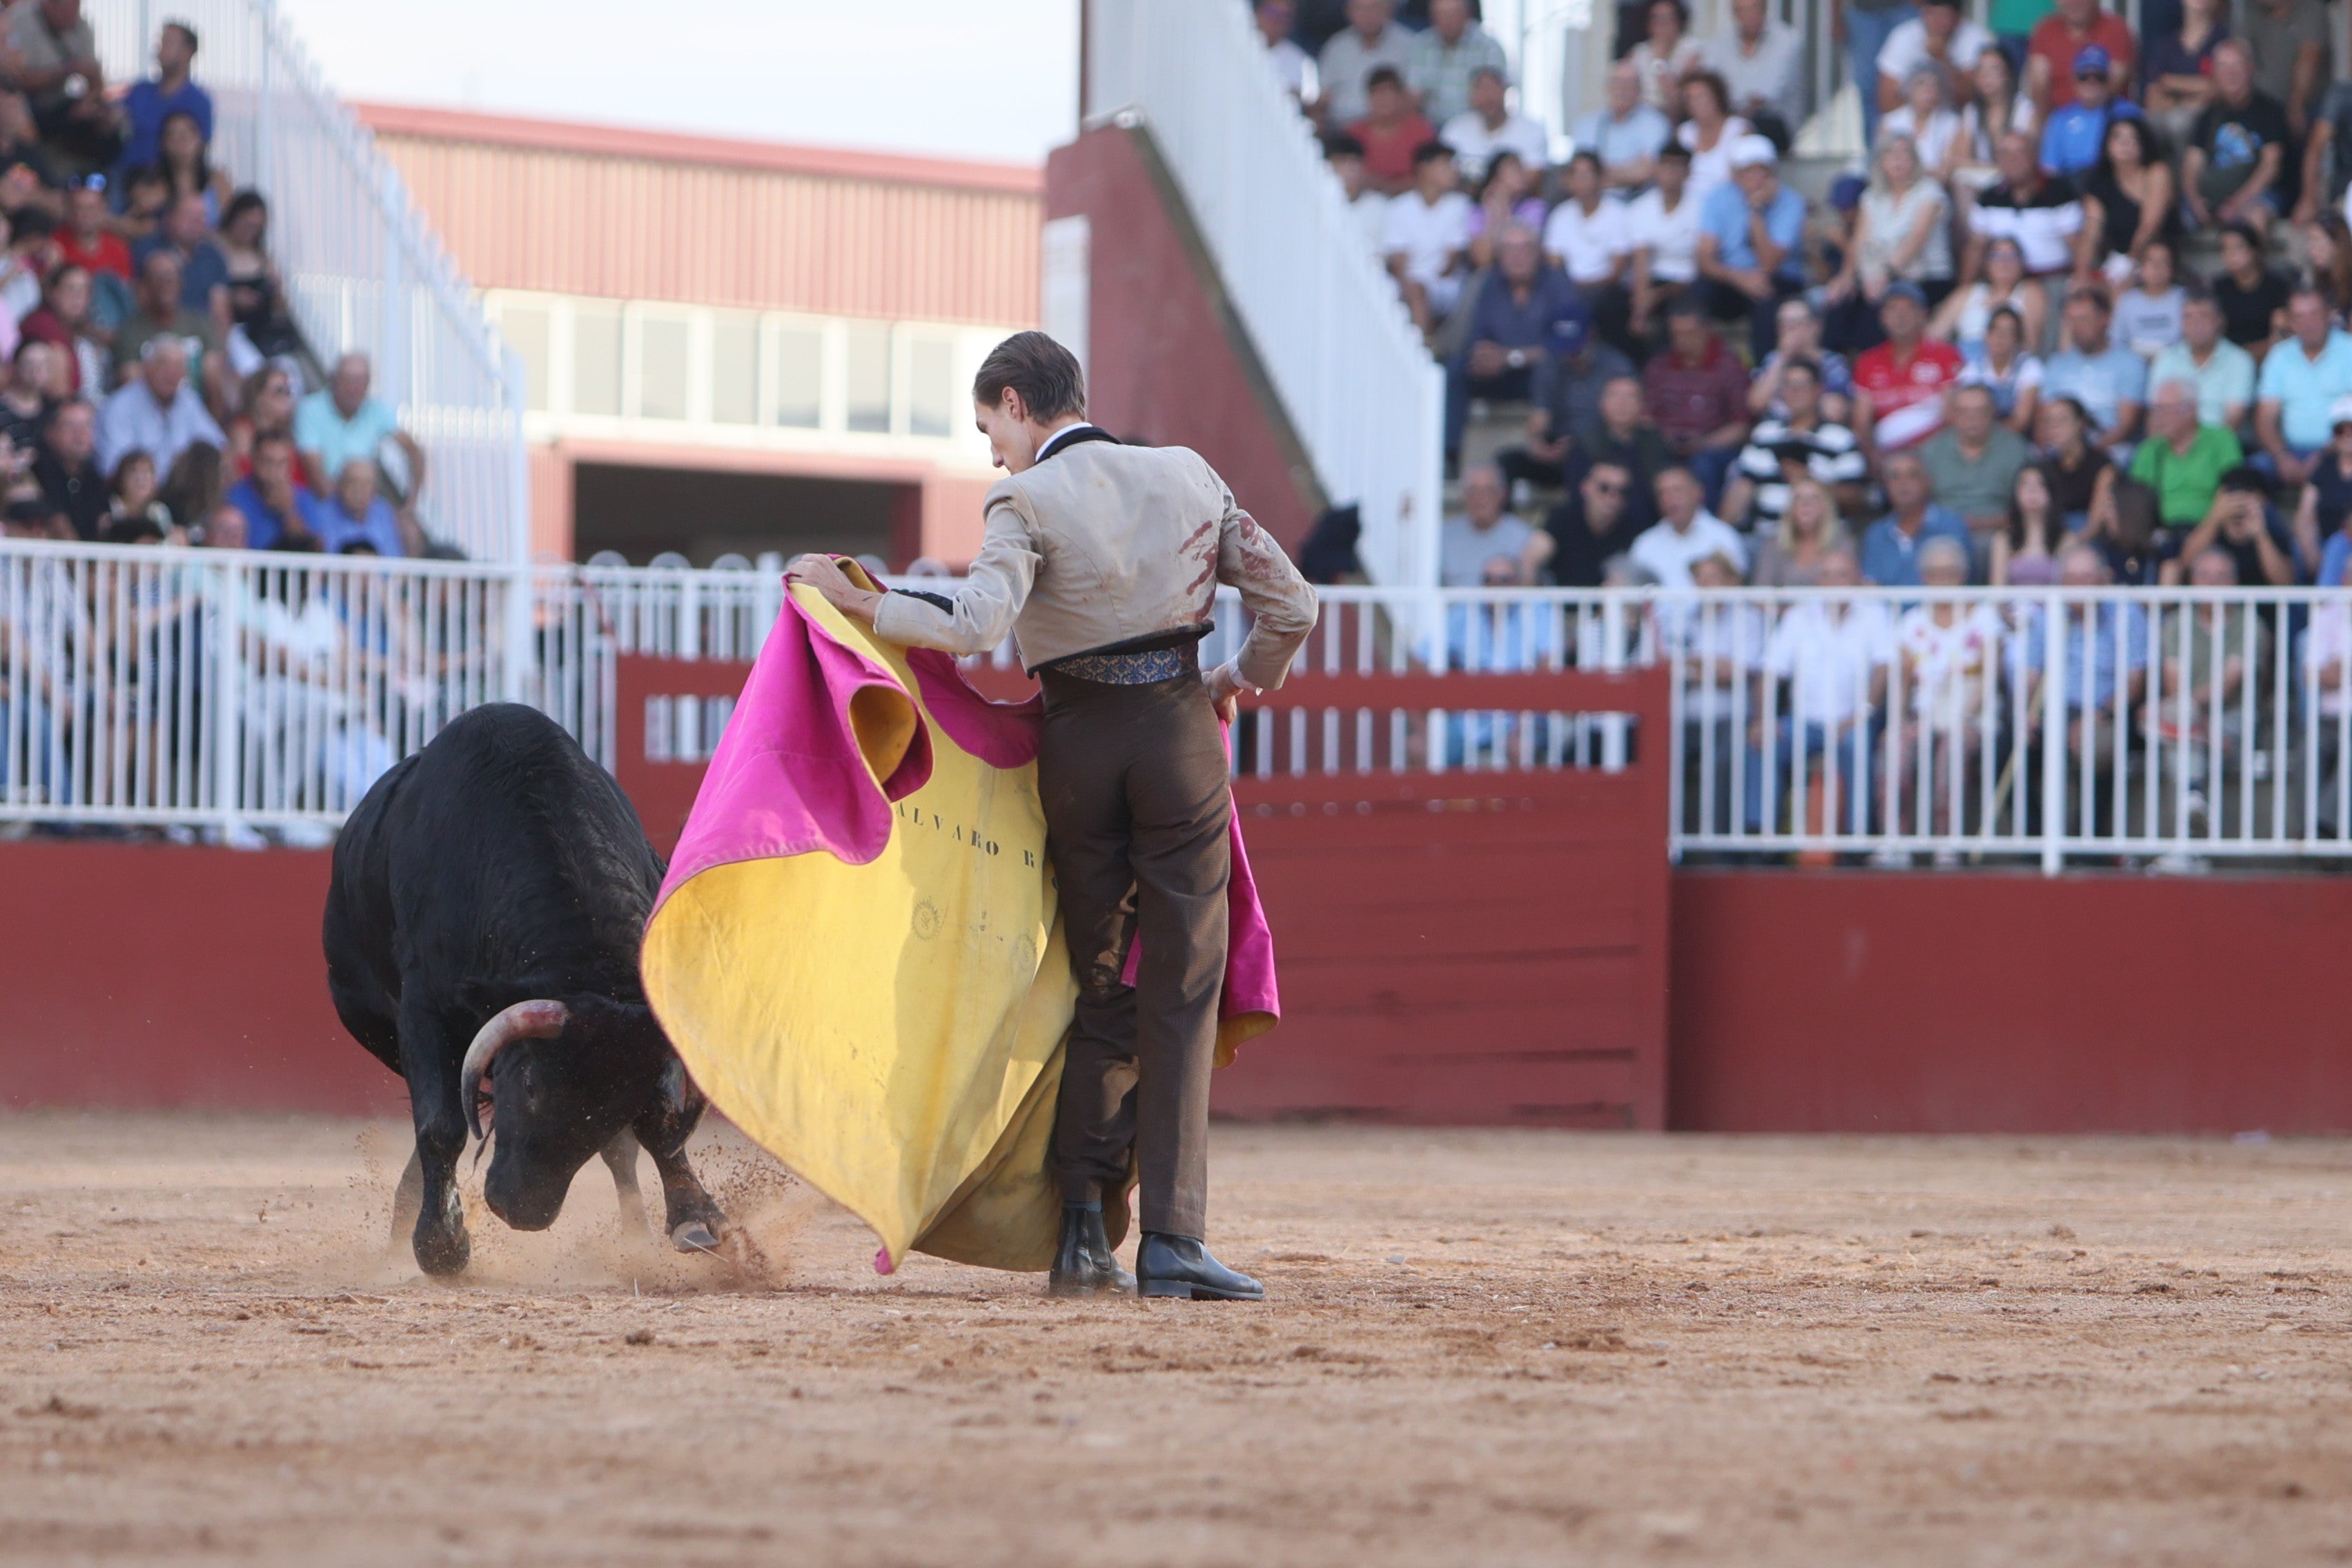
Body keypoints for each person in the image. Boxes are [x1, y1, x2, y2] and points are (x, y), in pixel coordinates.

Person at [790, 332, 1315, 1302]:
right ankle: (1173, 1240)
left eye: (987, 426)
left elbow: (977, 625)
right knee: (1180, 989)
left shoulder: (1025, 499)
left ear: (1016, 402)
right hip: (1177, 737)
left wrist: (862, 606)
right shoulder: (1189, 477)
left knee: (1100, 980)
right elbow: (1294, 605)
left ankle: (1079, 1233)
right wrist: (1234, 678)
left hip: (1078, 750)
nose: (992, 451)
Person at [1744, 541, 1892, 836]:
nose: (1834, 582)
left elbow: (1884, 667)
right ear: (1818, 580)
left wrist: (1860, 714)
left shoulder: (1874, 613)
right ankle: (1761, 836)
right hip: (1804, 723)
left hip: (1855, 720)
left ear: (1858, 579)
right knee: (1765, 741)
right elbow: (1771, 671)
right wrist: (1762, 719)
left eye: (1842, 575)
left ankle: (1856, 838)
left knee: (1856, 744)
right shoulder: (1799, 615)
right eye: (1827, 575)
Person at [1894, 534, 2004, 845]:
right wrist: (1899, 721)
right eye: (1934, 574)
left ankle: (1947, 842)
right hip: (1925, 714)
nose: (1942, 581)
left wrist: (1965, 715)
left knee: (1951, 751)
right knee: (1893, 748)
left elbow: (1990, 675)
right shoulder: (1911, 621)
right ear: (1923, 577)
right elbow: (1902, 681)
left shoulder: (1984, 617)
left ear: (1963, 576)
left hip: (1973, 715)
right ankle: (1895, 840)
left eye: (1950, 573)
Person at [1447, 224, 1578, 460]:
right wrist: (1482, 355)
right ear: (1500, 255)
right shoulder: (1490, 283)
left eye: (1524, 249)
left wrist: (1511, 357)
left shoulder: (1558, 283)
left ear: (1537, 252)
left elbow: (1568, 342)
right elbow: (1477, 333)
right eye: (1509, 250)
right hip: (1499, 374)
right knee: (1456, 368)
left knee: (1551, 369)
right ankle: (1450, 454)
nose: (1517, 257)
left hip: (1541, 378)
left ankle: (1546, 449)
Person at [1825, 133, 1953, 354]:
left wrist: (1885, 275)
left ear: (1915, 160)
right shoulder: (1873, 197)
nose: (1898, 161)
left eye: (1904, 154)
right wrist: (1846, 277)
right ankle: (1834, 364)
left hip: (1923, 276)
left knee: (1878, 312)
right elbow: (1859, 242)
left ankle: (1871, 366)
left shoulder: (1929, 191)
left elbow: (1916, 239)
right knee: (1839, 303)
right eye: (1891, 155)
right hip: (1878, 275)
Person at [1493, 305, 1638, 493]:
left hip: (1602, 447)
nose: (1570, 355)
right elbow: (1540, 415)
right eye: (1565, 347)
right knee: (1508, 462)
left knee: (1585, 455)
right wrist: (1537, 443)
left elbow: (1623, 421)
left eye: (1576, 348)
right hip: (1559, 446)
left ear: (1591, 335)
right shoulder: (1550, 365)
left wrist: (1578, 443)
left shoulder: (1617, 368)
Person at [1720, 358, 1869, 533]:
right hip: (1769, 536)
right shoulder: (1765, 434)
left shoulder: (1840, 438)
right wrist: (1721, 534)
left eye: (1802, 386)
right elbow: (1742, 488)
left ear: (1818, 389)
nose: (1794, 392)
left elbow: (1855, 499)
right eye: (1788, 385)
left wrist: (1809, 480)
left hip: (1823, 539)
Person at [1694, 134, 1805, 360]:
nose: (1756, 179)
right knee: (1697, 293)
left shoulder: (1791, 202)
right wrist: (1738, 278)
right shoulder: (1718, 198)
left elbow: (1770, 264)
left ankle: (1763, 367)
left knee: (1766, 297)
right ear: (1735, 174)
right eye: (1748, 172)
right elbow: (1704, 257)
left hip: (1777, 279)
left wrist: (1756, 212)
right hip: (1732, 277)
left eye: (1762, 172)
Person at [1643, 297, 1751, 502]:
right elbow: (1647, 417)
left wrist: (1704, 444)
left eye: (1689, 333)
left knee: (1703, 466)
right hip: (1666, 446)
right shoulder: (1659, 366)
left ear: (1706, 330)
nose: (1682, 340)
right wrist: (1665, 439)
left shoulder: (1729, 366)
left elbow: (1741, 425)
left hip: (1711, 448)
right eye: (1676, 334)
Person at [2183, 41, 2289, 235]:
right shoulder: (2207, 116)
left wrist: (2238, 202)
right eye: (2223, 67)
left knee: (2255, 219)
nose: (2231, 73)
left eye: (2237, 65)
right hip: (2214, 193)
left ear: (2251, 69)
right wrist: (2196, 201)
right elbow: (2191, 166)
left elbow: (2271, 166)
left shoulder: (2270, 111)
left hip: (2256, 193)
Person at [2254, 286, 2352, 484]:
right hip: (2289, 451)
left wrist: (2325, 455)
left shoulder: (2349, 350)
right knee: (2249, 475)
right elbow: (2265, 418)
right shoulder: (2280, 356)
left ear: (2328, 315)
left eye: (2314, 314)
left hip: (2342, 451)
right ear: (2291, 322)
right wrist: (2282, 457)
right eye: (2300, 317)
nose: (2308, 324)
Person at [10, 0, 124, 171]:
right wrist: (66, 71)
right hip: (25, 106)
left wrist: (87, 104)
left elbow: (95, 78)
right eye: (67, 9)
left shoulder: (81, 28)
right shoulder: (20, 22)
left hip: (63, 106)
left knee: (110, 132)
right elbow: (17, 79)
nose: (73, 16)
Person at [295, 352, 424, 501]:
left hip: (365, 503)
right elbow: (317, 478)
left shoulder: (376, 409)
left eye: (360, 381)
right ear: (334, 380)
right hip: (321, 501)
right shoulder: (309, 410)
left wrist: (412, 502)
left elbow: (413, 450)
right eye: (348, 380)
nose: (354, 388)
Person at [1854, 282, 1965, 454]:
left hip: (1935, 453)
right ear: (1883, 317)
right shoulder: (1868, 361)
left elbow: (1951, 415)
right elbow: (1861, 422)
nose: (1901, 316)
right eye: (1893, 309)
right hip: (1886, 455)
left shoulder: (1945, 355)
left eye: (1909, 308)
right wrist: (1873, 458)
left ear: (1923, 314)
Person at [1964, 132, 2084, 287]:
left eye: (2020, 152)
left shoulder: (2059, 192)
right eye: (2004, 154)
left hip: (2051, 280)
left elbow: (2076, 243)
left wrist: (2081, 282)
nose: (2012, 160)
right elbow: (1976, 248)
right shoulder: (1989, 197)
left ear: (2035, 155)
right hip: (2000, 284)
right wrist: (1965, 289)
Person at [2129, 379, 2243, 537]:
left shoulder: (2221, 440)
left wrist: (2208, 528)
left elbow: (2234, 488)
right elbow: (2135, 500)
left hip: (2215, 532)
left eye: (2165, 410)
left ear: (2190, 410)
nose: (2159, 417)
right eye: (2156, 410)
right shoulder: (2150, 450)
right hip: (2161, 534)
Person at [112, 247, 222, 408]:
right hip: (148, 411)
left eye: (171, 277)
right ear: (145, 285)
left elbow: (215, 375)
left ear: (181, 282)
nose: (166, 284)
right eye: (158, 278)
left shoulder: (199, 323)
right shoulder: (130, 331)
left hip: (195, 410)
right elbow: (130, 381)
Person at [1382, 141, 1471, 336]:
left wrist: (1422, 287)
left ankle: (1421, 344)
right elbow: (1398, 261)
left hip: (1445, 284)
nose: (1453, 171)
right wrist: (1409, 286)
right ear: (1424, 168)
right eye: (1445, 165)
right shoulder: (1399, 207)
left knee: (1417, 291)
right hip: (1406, 283)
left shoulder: (1460, 205)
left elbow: (1452, 260)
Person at [95, 336, 219, 476]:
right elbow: (113, 468)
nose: (172, 373)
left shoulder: (188, 400)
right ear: (146, 368)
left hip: (182, 485)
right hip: (141, 487)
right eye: (164, 364)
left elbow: (217, 445)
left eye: (178, 366)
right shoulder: (120, 407)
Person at [1920, 382, 2032, 535]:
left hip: (2001, 533)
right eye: (1964, 411)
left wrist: (1984, 523)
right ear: (1953, 414)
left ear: (1993, 412)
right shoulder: (1931, 451)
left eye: (1980, 411)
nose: (1972, 418)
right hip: (1943, 534)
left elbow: (2028, 507)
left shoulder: (2016, 450)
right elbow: (1918, 506)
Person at [2041, 286, 2146, 445]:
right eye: (2072, 321)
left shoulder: (2130, 363)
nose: (2076, 328)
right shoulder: (2057, 365)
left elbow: (2126, 425)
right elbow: (2043, 420)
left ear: (2105, 319)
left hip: (2111, 451)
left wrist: (2088, 455)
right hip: (2061, 451)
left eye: (2083, 319)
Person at [1700, 0, 1805, 146]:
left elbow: (1767, 93)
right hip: (1730, 119)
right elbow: (1710, 82)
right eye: (1741, 10)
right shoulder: (1721, 40)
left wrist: (1732, 108)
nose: (1749, 15)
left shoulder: (1787, 40)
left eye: (1754, 8)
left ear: (1765, 9)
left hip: (1772, 125)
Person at [1626, 142, 1703, 342]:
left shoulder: (1702, 207)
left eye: (1678, 167)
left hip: (1690, 282)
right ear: (1657, 169)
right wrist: (1640, 308)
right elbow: (1641, 261)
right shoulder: (1640, 208)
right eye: (1666, 166)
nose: (1671, 174)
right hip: (1655, 280)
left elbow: (1702, 263)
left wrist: (1658, 295)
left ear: (1688, 172)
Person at [2149, 288, 2256, 431]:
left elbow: (2234, 420)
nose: (2196, 323)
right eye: (2188, 317)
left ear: (2219, 321)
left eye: (2204, 316)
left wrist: (2196, 445)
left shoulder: (2240, 361)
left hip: (2220, 441)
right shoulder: (2166, 358)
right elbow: (2155, 415)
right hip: (2172, 441)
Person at [2170, 464, 2296, 585]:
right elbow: (2185, 564)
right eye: (2231, 493)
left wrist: (2260, 535)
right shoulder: (2208, 532)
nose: (2238, 500)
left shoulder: (2274, 533)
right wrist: (2214, 518)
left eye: (2247, 493)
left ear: (2262, 500)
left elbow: (2285, 583)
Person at [1863, 449, 1975, 584]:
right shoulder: (1876, 534)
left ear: (1927, 481)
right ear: (1886, 486)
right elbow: (1871, 586)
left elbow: (1968, 583)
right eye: (1895, 477)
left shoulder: (1952, 526)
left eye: (1912, 475)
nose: (1903, 483)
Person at [1541, 150, 1633, 308]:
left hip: (1607, 291)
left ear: (1600, 178)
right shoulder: (1560, 215)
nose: (1581, 180)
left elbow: (1617, 270)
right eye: (1575, 175)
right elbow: (1554, 263)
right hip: (1568, 290)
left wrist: (1585, 286)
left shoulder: (1618, 213)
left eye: (1586, 174)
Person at [1629, 463, 1747, 585]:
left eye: (1677, 490)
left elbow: (1736, 589)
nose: (1670, 499)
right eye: (1662, 493)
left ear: (1698, 492)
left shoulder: (1724, 537)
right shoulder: (1645, 544)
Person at [1932, 234, 2048, 356]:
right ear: (1986, 262)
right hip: (1965, 360)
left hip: (2010, 360)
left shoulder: (2029, 292)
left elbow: (2030, 344)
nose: (2004, 263)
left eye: (2012, 256)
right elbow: (1934, 335)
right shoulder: (1968, 293)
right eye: (1996, 256)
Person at [1536, 458, 1647, 586]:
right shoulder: (1562, 519)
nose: (1613, 498)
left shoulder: (1633, 532)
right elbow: (1531, 560)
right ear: (1585, 487)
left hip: (1609, 599)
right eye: (1604, 488)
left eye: (1623, 492)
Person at [120, 20, 210, 175]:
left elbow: (199, 154)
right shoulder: (140, 91)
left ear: (188, 52)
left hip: (171, 182)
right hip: (128, 178)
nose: (160, 49)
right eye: (161, 43)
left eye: (168, 43)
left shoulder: (199, 103)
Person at [2038, 44, 2141, 178]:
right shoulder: (2060, 119)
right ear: (2074, 80)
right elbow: (2050, 169)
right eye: (2084, 76)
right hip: (2071, 184)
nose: (2091, 82)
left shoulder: (2128, 114)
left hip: (2114, 181)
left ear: (2109, 79)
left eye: (2099, 76)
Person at [1877, 0, 1992, 118]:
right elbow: (1887, 103)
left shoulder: (1977, 39)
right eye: (1931, 14)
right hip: (1911, 119)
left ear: (1958, 19)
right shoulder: (1903, 36)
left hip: (1958, 119)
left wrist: (1942, 58)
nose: (1936, 23)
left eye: (1943, 16)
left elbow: (1975, 99)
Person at [1406, 0, 1509, 128]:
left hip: (1477, 127)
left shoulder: (1489, 48)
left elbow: (1494, 97)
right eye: (1441, 14)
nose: (1447, 21)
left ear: (1467, 14)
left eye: (1453, 13)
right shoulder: (1421, 46)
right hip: (1432, 129)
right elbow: (1413, 97)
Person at [1578, 59, 1676, 195]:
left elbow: (1648, 171)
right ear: (1607, 87)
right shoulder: (1588, 125)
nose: (1623, 89)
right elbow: (1580, 173)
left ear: (1640, 90)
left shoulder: (1656, 123)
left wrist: (1601, 173)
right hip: (1595, 200)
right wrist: (1627, 172)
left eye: (1630, 83)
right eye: (1617, 82)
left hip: (1640, 198)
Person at [1750, 297, 1855, 420]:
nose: (1790, 330)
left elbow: (1835, 412)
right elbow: (1756, 404)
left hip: (1818, 428)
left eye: (1797, 323)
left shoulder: (1833, 363)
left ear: (1815, 326)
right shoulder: (1772, 359)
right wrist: (1782, 358)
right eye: (1784, 325)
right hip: (1776, 427)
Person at [2026, 0, 2136, 117]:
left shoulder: (2117, 30)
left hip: (2106, 117)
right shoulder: (2045, 30)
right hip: (2055, 117)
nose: (2075, 3)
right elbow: (2038, 84)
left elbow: (2115, 82)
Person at [1440, 65, 1547, 184]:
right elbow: (1441, 176)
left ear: (1505, 91)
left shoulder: (1532, 131)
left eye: (1493, 88)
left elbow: (1532, 180)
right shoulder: (1455, 129)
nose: (1488, 96)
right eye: (1480, 89)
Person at [1317, 0, 1416, 128]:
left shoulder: (1409, 45)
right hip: (1342, 129)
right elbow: (1323, 96)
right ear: (1349, 12)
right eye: (1359, 8)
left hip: (1389, 128)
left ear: (1388, 9)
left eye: (1374, 7)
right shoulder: (1336, 47)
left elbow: (1413, 97)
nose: (1367, 15)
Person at [2144, 0, 2229, 145]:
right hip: (2168, 116)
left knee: (2179, 123)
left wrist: (2171, 82)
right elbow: (2151, 98)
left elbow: (2218, 88)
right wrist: (2191, 98)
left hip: (2210, 120)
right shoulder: (2167, 44)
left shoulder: (2223, 40)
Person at [2240, 0, 2327, 142]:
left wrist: (2297, 103)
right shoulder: (2251, 10)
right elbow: (2239, 52)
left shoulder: (2310, 9)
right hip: (2261, 107)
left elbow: (2309, 57)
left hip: (2302, 107)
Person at [1839, 0, 1921, 148]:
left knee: (1914, 82)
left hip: (1904, 7)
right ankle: (1876, 151)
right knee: (1868, 87)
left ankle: (1912, 150)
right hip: (1864, 11)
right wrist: (1835, 16)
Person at [1438, 463, 1536, 585]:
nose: (1480, 498)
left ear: (1502, 495)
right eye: (1473, 491)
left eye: (1488, 490)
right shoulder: (1444, 537)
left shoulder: (1525, 538)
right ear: (1463, 496)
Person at [1748, 475, 1854, 587]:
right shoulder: (1773, 545)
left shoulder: (1842, 544)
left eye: (1814, 498)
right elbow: (1761, 589)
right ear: (1790, 508)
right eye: (1799, 498)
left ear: (1826, 507)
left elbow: (1849, 588)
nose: (1806, 504)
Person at [18, 262, 103, 396]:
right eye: (71, 289)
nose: (78, 296)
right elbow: (60, 394)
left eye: (84, 289)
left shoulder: (74, 329)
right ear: (53, 293)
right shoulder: (43, 324)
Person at [1958, 304, 2046, 434]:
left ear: (2017, 339)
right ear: (1987, 335)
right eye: (1995, 330)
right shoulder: (1972, 369)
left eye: (2008, 332)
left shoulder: (2030, 367)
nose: (2000, 337)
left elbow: (2021, 420)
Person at [1346, 67, 1435, 195]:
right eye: (1377, 93)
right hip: (1365, 199)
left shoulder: (1420, 130)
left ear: (1401, 97)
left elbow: (1429, 174)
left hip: (1413, 198)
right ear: (1368, 98)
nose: (1383, 100)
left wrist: (1392, 188)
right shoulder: (1353, 133)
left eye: (1389, 94)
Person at [2036, 394, 2117, 529]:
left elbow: (2095, 524)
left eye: (2063, 420)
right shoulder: (2043, 466)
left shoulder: (2102, 466)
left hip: (2087, 536)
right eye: (2049, 421)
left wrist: (2073, 542)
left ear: (2081, 423)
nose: (2055, 427)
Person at [2294, 394, 2352, 582]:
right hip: (2323, 545)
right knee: (2296, 550)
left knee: (2338, 545)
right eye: (2340, 430)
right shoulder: (2323, 466)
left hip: (2344, 545)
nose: (2347, 436)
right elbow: (2305, 513)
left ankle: (2324, 598)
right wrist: (2311, 551)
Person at [225, 427, 311, 551]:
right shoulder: (233, 500)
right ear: (253, 459)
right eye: (268, 462)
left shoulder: (304, 498)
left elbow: (315, 550)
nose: (274, 471)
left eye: (281, 463)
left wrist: (288, 512)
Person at [299, 456, 404, 557]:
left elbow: (394, 559)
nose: (359, 490)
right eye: (353, 482)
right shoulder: (321, 514)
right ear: (340, 485)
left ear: (375, 491)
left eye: (367, 484)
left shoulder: (384, 512)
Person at [1675, 71, 1753, 204]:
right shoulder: (1683, 133)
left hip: (1727, 204)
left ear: (1717, 98)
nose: (1696, 103)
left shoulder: (1739, 130)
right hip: (1687, 204)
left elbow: (1748, 176)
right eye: (1690, 98)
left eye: (1701, 97)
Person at [1883, 67, 1969, 185]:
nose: (1927, 91)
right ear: (1910, 88)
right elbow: (1883, 164)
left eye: (1933, 86)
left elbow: (1946, 169)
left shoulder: (1952, 123)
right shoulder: (1891, 122)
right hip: (1896, 185)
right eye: (1921, 85)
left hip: (1934, 185)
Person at [30, 394, 100, 540]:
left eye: (87, 425)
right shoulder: (37, 471)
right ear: (50, 432)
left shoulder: (94, 476)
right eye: (70, 426)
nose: (80, 434)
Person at [1993, 462, 2065, 582]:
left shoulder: (2065, 539)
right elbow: (1997, 588)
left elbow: (2067, 587)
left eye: (2040, 484)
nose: (2032, 491)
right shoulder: (2003, 540)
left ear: (2051, 492)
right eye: (2025, 484)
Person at [2111, 240, 2184, 360]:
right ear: (2141, 267)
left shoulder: (2183, 298)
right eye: (2151, 262)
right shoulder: (2128, 301)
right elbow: (2117, 341)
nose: (2157, 267)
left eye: (2163, 262)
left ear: (2172, 268)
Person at [1629, 0, 1704, 115]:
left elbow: (1677, 101)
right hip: (1642, 114)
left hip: (1676, 115)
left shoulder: (1692, 51)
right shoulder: (1639, 53)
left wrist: (1660, 60)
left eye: (1668, 19)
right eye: (1656, 19)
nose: (1662, 25)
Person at [1325, 133, 1391, 253]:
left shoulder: (1378, 206)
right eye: (1342, 161)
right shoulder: (1318, 204)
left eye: (1355, 162)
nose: (1350, 169)